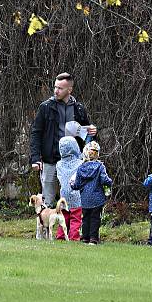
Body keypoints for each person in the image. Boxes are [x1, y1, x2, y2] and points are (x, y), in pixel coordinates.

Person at [30, 72, 97, 206]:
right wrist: (36, 158)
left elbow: (86, 135)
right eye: (55, 87)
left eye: (60, 88)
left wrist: (93, 131)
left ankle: (69, 227)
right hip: (50, 161)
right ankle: (45, 227)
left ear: (69, 90)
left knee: (72, 200)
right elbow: (36, 133)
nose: (56, 90)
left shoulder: (78, 109)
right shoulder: (46, 107)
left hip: (72, 163)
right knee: (47, 202)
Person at [71, 141, 112, 245]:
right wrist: (109, 181)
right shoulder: (100, 167)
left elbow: (77, 184)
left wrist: (72, 184)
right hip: (97, 198)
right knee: (95, 218)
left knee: (85, 218)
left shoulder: (81, 168)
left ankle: (85, 237)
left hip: (85, 198)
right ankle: (93, 238)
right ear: (97, 154)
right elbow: (104, 180)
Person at [55, 136, 84, 240]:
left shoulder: (59, 165)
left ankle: (61, 236)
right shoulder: (80, 163)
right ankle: (74, 237)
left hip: (64, 197)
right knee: (75, 218)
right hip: (77, 195)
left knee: (64, 217)